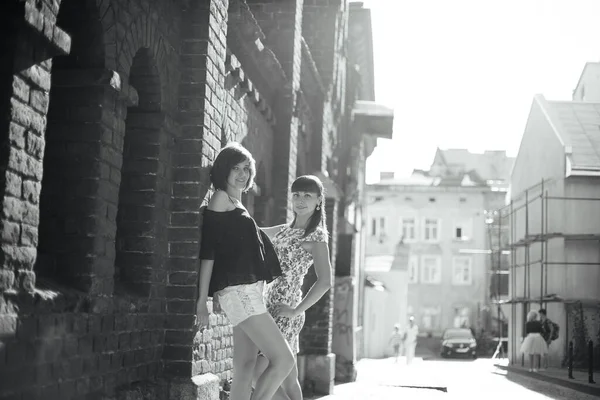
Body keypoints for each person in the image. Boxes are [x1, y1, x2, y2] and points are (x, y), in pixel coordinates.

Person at [196, 142, 296, 400]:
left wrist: (288, 229)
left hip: (246, 294)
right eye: (235, 168)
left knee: (244, 367)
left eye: (246, 168)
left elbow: (254, 236)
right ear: (223, 171)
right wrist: (202, 301)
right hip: (240, 295)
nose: (242, 174)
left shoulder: (236, 204)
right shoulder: (221, 198)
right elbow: (209, 252)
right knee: (283, 360)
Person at [254, 175, 333, 400]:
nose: (300, 200)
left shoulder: (316, 235)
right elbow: (252, 231)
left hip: (284, 311)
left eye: (308, 195)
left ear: (319, 201)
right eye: (296, 194)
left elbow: (325, 281)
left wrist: (296, 310)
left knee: (257, 373)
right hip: (268, 306)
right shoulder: (284, 230)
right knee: (289, 382)